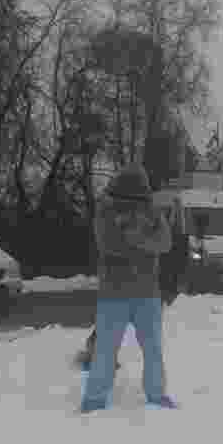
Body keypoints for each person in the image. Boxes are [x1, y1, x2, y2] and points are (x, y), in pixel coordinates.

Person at [80, 164, 176, 413]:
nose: (134, 204)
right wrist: (143, 239)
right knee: (105, 349)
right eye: (128, 199)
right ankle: (94, 399)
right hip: (114, 294)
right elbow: (110, 245)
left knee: (153, 349)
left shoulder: (151, 210)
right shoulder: (105, 210)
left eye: (138, 199)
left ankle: (157, 394)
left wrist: (136, 237)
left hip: (147, 294)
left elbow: (165, 242)